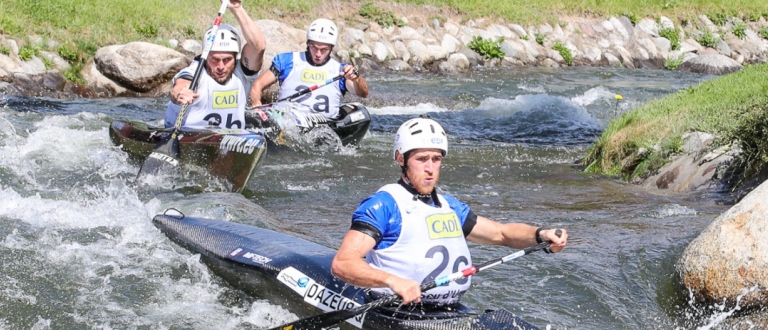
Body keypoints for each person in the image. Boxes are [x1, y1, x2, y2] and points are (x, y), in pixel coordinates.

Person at [331, 117, 568, 307]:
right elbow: (343, 263)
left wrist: (541, 235)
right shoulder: (384, 205)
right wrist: (392, 281)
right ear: (401, 159)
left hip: (449, 311)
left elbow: (501, 234)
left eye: (436, 159)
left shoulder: (449, 206)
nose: (430, 168)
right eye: (421, 159)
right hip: (393, 310)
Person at [165, 0, 266, 129]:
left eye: (227, 60)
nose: (221, 66)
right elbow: (180, 86)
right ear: (205, 57)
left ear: (236, 58)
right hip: (186, 137)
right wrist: (181, 94)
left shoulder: (243, 74)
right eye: (215, 59)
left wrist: (237, 8)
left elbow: (259, 47)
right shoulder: (195, 72)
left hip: (229, 141)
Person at [249, 18, 369, 119]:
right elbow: (257, 85)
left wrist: (355, 78)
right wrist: (257, 107)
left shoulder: (340, 71)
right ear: (308, 43)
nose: (318, 53)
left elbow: (363, 93)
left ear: (331, 48)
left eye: (324, 50)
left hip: (324, 127)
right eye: (314, 47)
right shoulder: (287, 61)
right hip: (287, 122)